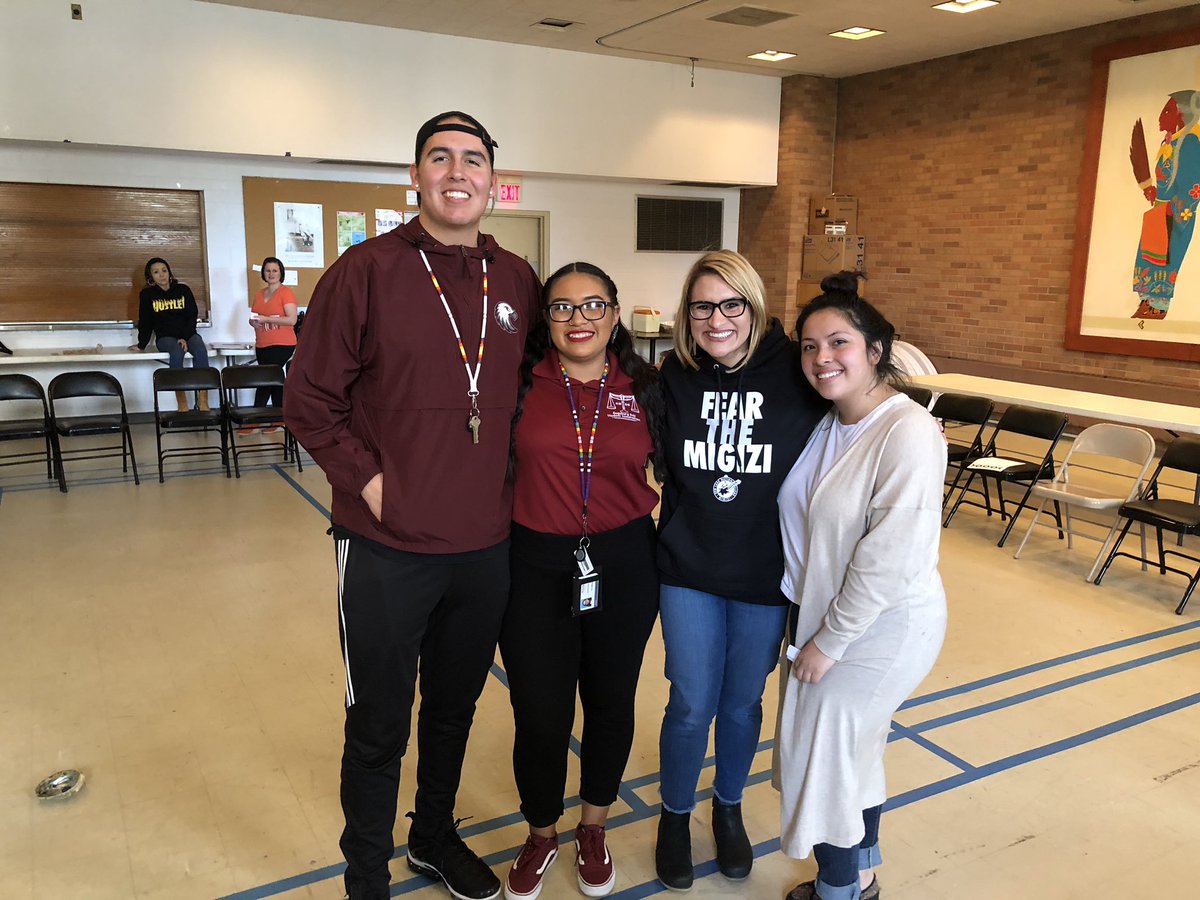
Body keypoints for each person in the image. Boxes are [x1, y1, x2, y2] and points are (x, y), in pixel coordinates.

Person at [284, 111, 540, 900]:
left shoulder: (520, 280)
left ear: (493, 180)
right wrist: (369, 482)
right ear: (416, 176)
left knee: (455, 712)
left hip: (483, 545)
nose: (457, 172)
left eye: (473, 160)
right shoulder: (366, 270)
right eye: (440, 158)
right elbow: (308, 399)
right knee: (379, 727)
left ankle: (431, 837)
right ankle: (366, 875)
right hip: (386, 545)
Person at [654, 249, 826, 891]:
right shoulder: (673, 375)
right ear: (687, 315)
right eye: (703, 306)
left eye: (733, 305)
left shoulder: (797, 373)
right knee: (692, 703)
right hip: (687, 567)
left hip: (765, 574)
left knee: (742, 702)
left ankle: (727, 807)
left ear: (755, 308)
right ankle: (674, 816)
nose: (717, 319)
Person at [775, 272, 948, 900]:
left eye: (839, 342)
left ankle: (839, 890)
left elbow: (890, 555)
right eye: (810, 346)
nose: (823, 358)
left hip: (877, 627)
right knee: (853, 751)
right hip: (824, 616)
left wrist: (829, 641)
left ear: (875, 350)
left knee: (822, 760)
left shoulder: (906, 432)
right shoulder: (829, 422)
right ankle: (865, 868)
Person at [499, 263, 663, 900]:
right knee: (538, 711)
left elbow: (682, 474)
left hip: (623, 565)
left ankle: (594, 824)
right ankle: (541, 832)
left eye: (594, 305)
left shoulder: (646, 388)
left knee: (610, 700)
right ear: (546, 319)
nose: (579, 318)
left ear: (616, 315)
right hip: (534, 563)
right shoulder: (518, 385)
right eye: (562, 307)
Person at [1129, 90, 1200, 320]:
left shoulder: (1190, 142)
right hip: (1159, 213)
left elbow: (1193, 185)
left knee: (1164, 263)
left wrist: (1172, 208)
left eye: (1169, 110)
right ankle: (1145, 307)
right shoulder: (1170, 141)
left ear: (1183, 114)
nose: (1162, 115)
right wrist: (1154, 192)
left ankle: (1156, 309)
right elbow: (1167, 178)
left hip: (1175, 215)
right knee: (1148, 258)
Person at [133, 257, 210, 411]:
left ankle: (203, 400)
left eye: (164, 270)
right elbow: (145, 321)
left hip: (188, 334)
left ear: (169, 272)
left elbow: (191, 314)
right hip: (166, 337)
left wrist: (184, 336)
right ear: (150, 277)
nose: (161, 275)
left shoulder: (183, 290)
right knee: (176, 351)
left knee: (201, 350)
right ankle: (182, 402)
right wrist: (142, 344)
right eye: (156, 272)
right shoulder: (147, 295)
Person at [249, 255, 298, 415]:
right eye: (268, 270)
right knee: (274, 379)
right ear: (263, 273)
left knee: (265, 379)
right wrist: (254, 322)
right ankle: (278, 417)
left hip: (282, 343)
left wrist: (267, 318)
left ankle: (254, 418)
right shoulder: (258, 294)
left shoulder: (286, 293)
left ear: (280, 273)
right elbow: (254, 317)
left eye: (274, 270)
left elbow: (292, 320)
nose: (271, 274)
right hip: (262, 343)